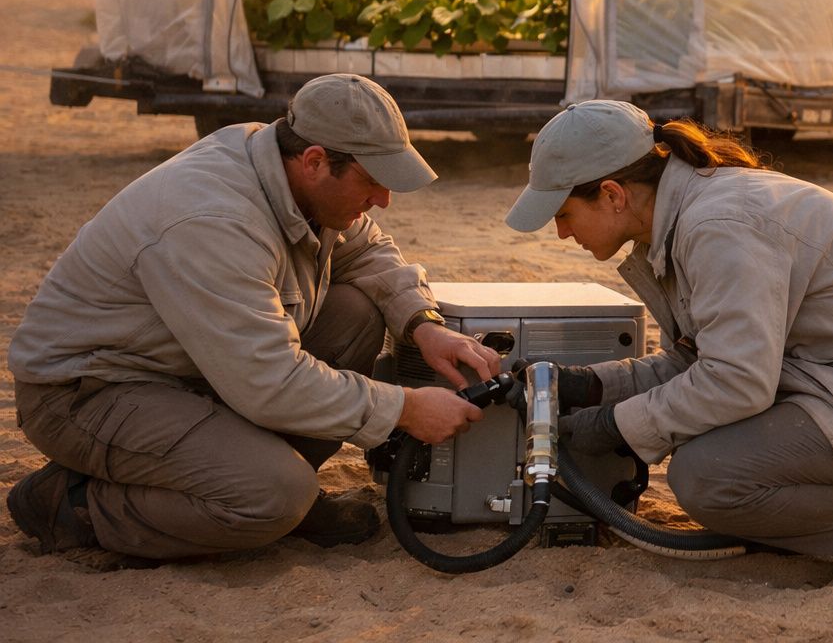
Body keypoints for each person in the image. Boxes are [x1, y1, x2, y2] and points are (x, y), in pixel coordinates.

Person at [504, 100, 833, 593]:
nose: (560, 232)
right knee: (700, 429)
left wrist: (615, 425)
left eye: (565, 212)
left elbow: (736, 381)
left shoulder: (718, 225)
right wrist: (589, 386)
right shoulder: (689, 214)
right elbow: (697, 360)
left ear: (614, 194)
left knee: (709, 475)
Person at [6, 73, 500, 567]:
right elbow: (269, 382)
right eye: (372, 182)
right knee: (272, 496)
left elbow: (367, 251)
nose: (384, 200)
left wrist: (422, 323)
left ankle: (259, 484)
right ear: (315, 161)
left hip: (193, 371)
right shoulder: (215, 221)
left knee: (356, 314)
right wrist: (405, 408)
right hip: (87, 390)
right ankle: (72, 504)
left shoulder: (285, 171)